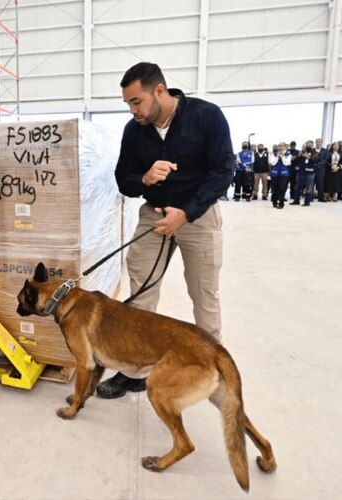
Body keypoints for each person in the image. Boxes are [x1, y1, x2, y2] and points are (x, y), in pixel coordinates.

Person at [101, 62, 233, 399]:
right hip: (153, 216)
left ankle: (210, 368)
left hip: (198, 217)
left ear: (159, 91)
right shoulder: (135, 131)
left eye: (136, 101)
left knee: (204, 295)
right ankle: (135, 371)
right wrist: (143, 178)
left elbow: (222, 171)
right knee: (141, 294)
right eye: (128, 103)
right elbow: (122, 179)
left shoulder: (206, 116)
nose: (133, 110)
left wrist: (186, 213)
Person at [291, 141, 318, 206]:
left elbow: (314, 160)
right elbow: (296, 160)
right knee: (297, 186)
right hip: (300, 171)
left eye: (309, 144)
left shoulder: (315, 152)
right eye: (306, 144)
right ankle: (296, 200)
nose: (307, 145)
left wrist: (307, 156)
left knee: (308, 187)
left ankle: (307, 201)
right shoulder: (301, 151)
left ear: (312, 145)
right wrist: (299, 155)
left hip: (310, 172)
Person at [268, 142, 291, 209]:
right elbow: (272, 163)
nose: (281, 147)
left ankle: (281, 203)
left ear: (285, 146)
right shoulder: (274, 153)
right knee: (274, 189)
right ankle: (274, 202)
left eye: (282, 145)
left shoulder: (288, 154)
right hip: (274, 174)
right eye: (279, 145)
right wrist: (278, 156)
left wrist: (283, 156)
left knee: (281, 189)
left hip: (283, 174)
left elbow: (286, 163)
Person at [314, 138, 329, 202]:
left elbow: (325, 159)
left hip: (321, 170)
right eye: (317, 141)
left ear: (322, 143)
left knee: (320, 184)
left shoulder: (325, 150)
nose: (318, 143)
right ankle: (310, 197)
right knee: (311, 184)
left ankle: (321, 198)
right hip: (313, 169)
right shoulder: (312, 150)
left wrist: (319, 164)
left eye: (319, 141)